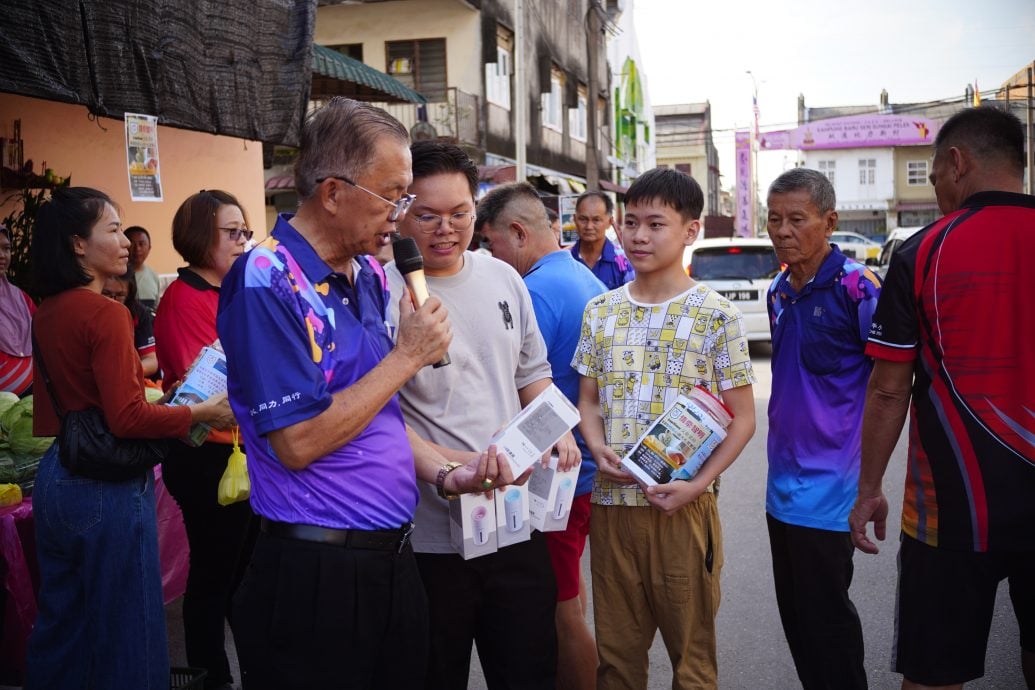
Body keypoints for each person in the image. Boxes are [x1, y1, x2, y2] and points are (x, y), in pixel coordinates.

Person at [216, 98, 505, 689]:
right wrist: (407, 357)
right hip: (318, 569)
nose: (402, 217)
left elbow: (376, 417)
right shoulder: (265, 278)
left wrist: (450, 472)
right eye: (393, 196)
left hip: (391, 560)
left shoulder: (369, 273)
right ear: (331, 192)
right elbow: (296, 441)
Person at [850, 105, 1035, 689]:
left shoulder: (922, 252)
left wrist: (868, 491)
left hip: (951, 512)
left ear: (957, 163)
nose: (938, 194)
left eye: (932, 179)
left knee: (934, 674)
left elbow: (887, 390)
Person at [385, 141, 579, 690]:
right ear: (401, 210)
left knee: (526, 668)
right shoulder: (382, 291)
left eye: (460, 214)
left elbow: (531, 374)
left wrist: (553, 426)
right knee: (433, 672)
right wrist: (455, 467)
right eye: (426, 215)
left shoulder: (504, 278)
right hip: (428, 537)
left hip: (514, 522)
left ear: (478, 209)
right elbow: (377, 419)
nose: (445, 229)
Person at [25, 187, 234, 690]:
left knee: (63, 624)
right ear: (78, 244)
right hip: (107, 487)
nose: (126, 242)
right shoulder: (106, 313)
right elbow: (127, 419)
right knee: (130, 629)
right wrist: (198, 410)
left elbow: (53, 414)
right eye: (113, 229)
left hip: (57, 476)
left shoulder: (47, 310)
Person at [573, 167, 756, 689]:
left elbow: (743, 419)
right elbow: (588, 401)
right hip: (612, 508)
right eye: (630, 222)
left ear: (690, 231)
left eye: (655, 224)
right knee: (617, 662)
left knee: (692, 664)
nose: (638, 236)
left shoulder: (715, 315)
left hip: (683, 510)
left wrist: (697, 486)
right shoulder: (600, 311)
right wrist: (595, 445)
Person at [477, 182, 606, 690]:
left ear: (516, 232)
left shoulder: (531, 292)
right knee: (570, 596)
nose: (488, 256)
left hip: (558, 476)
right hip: (584, 471)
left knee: (560, 610)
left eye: (489, 244)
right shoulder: (582, 277)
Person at [764, 168, 881, 689]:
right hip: (779, 488)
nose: (783, 231)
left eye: (797, 219)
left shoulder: (859, 287)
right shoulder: (777, 289)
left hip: (832, 489)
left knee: (828, 622)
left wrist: (873, 484)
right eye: (774, 219)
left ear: (829, 221)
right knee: (796, 623)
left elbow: (890, 387)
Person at [153, 189, 257, 690]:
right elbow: (216, 381)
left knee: (241, 577)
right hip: (207, 456)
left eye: (245, 232)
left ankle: (245, 670)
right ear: (200, 237)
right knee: (215, 579)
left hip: (240, 451)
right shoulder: (183, 297)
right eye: (231, 233)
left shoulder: (232, 290)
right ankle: (210, 678)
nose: (243, 242)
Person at [570, 191, 634, 289]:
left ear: (609, 222)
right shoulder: (565, 260)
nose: (589, 226)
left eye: (596, 220)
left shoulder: (624, 262)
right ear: (575, 219)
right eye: (583, 219)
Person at [102, 269, 159, 380]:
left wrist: (123, 374)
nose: (113, 300)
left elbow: (151, 362)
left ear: (129, 294)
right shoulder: (89, 313)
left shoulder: (138, 314)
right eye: (106, 293)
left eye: (120, 295)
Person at [0, 225, 34, 397]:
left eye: (6, 248)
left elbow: (42, 334)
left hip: (29, 401)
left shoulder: (20, 297)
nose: (2, 255)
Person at [126, 225, 161, 310]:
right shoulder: (115, 275)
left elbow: (156, 309)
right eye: (132, 244)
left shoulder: (153, 276)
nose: (137, 248)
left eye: (141, 244)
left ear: (149, 248)